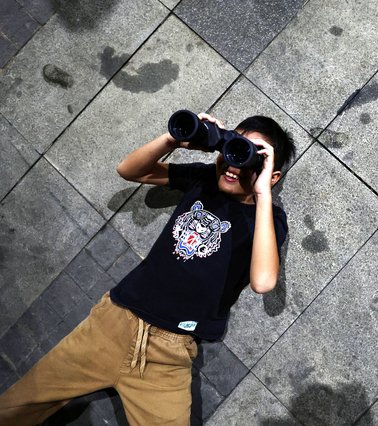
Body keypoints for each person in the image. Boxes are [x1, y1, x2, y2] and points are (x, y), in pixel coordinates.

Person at [0, 112, 296, 425]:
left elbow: (263, 282)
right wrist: (174, 140)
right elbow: (129, 170)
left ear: (272, 175)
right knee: (13, 409)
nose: (236, 163)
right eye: (235, 147)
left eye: (252, 156)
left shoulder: (268, 219)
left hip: (167, 356)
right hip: (112, 324)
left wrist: (262, 194)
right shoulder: (203, 179)